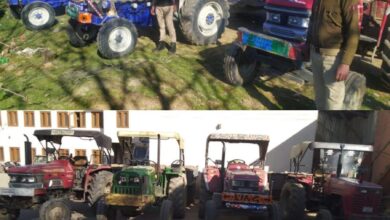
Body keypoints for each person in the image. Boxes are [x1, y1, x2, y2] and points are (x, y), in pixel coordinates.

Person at [308, 0, 361, 110]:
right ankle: (322, 122)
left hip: (333, 58)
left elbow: (353, 32)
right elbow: (313, 20)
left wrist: (345, 63)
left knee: (333, 100)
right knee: (319, 95)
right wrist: (307, 44)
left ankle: (333, 124)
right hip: (315, 53)